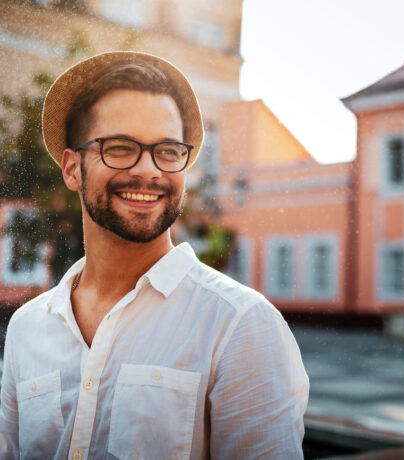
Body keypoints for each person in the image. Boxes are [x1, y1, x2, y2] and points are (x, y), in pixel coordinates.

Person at [0, 51, 309, 459]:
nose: (149, 170)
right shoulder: (27, 329)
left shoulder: (240, 326)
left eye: (167, 151)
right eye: (121, 147)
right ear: (73, 169)